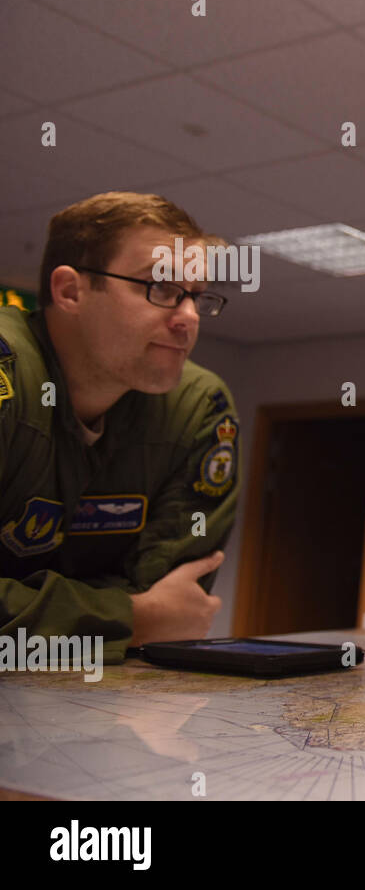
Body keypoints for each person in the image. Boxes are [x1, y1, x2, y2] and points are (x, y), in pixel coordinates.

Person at [0, 192, 240, 666]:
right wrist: (132, 617)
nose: (188, 317)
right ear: (71, 291)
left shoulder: (198, 407)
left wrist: (134, 618)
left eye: (197, 297)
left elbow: (174, 602)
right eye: (161, 288)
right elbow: (152, 615)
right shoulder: (9, 375)